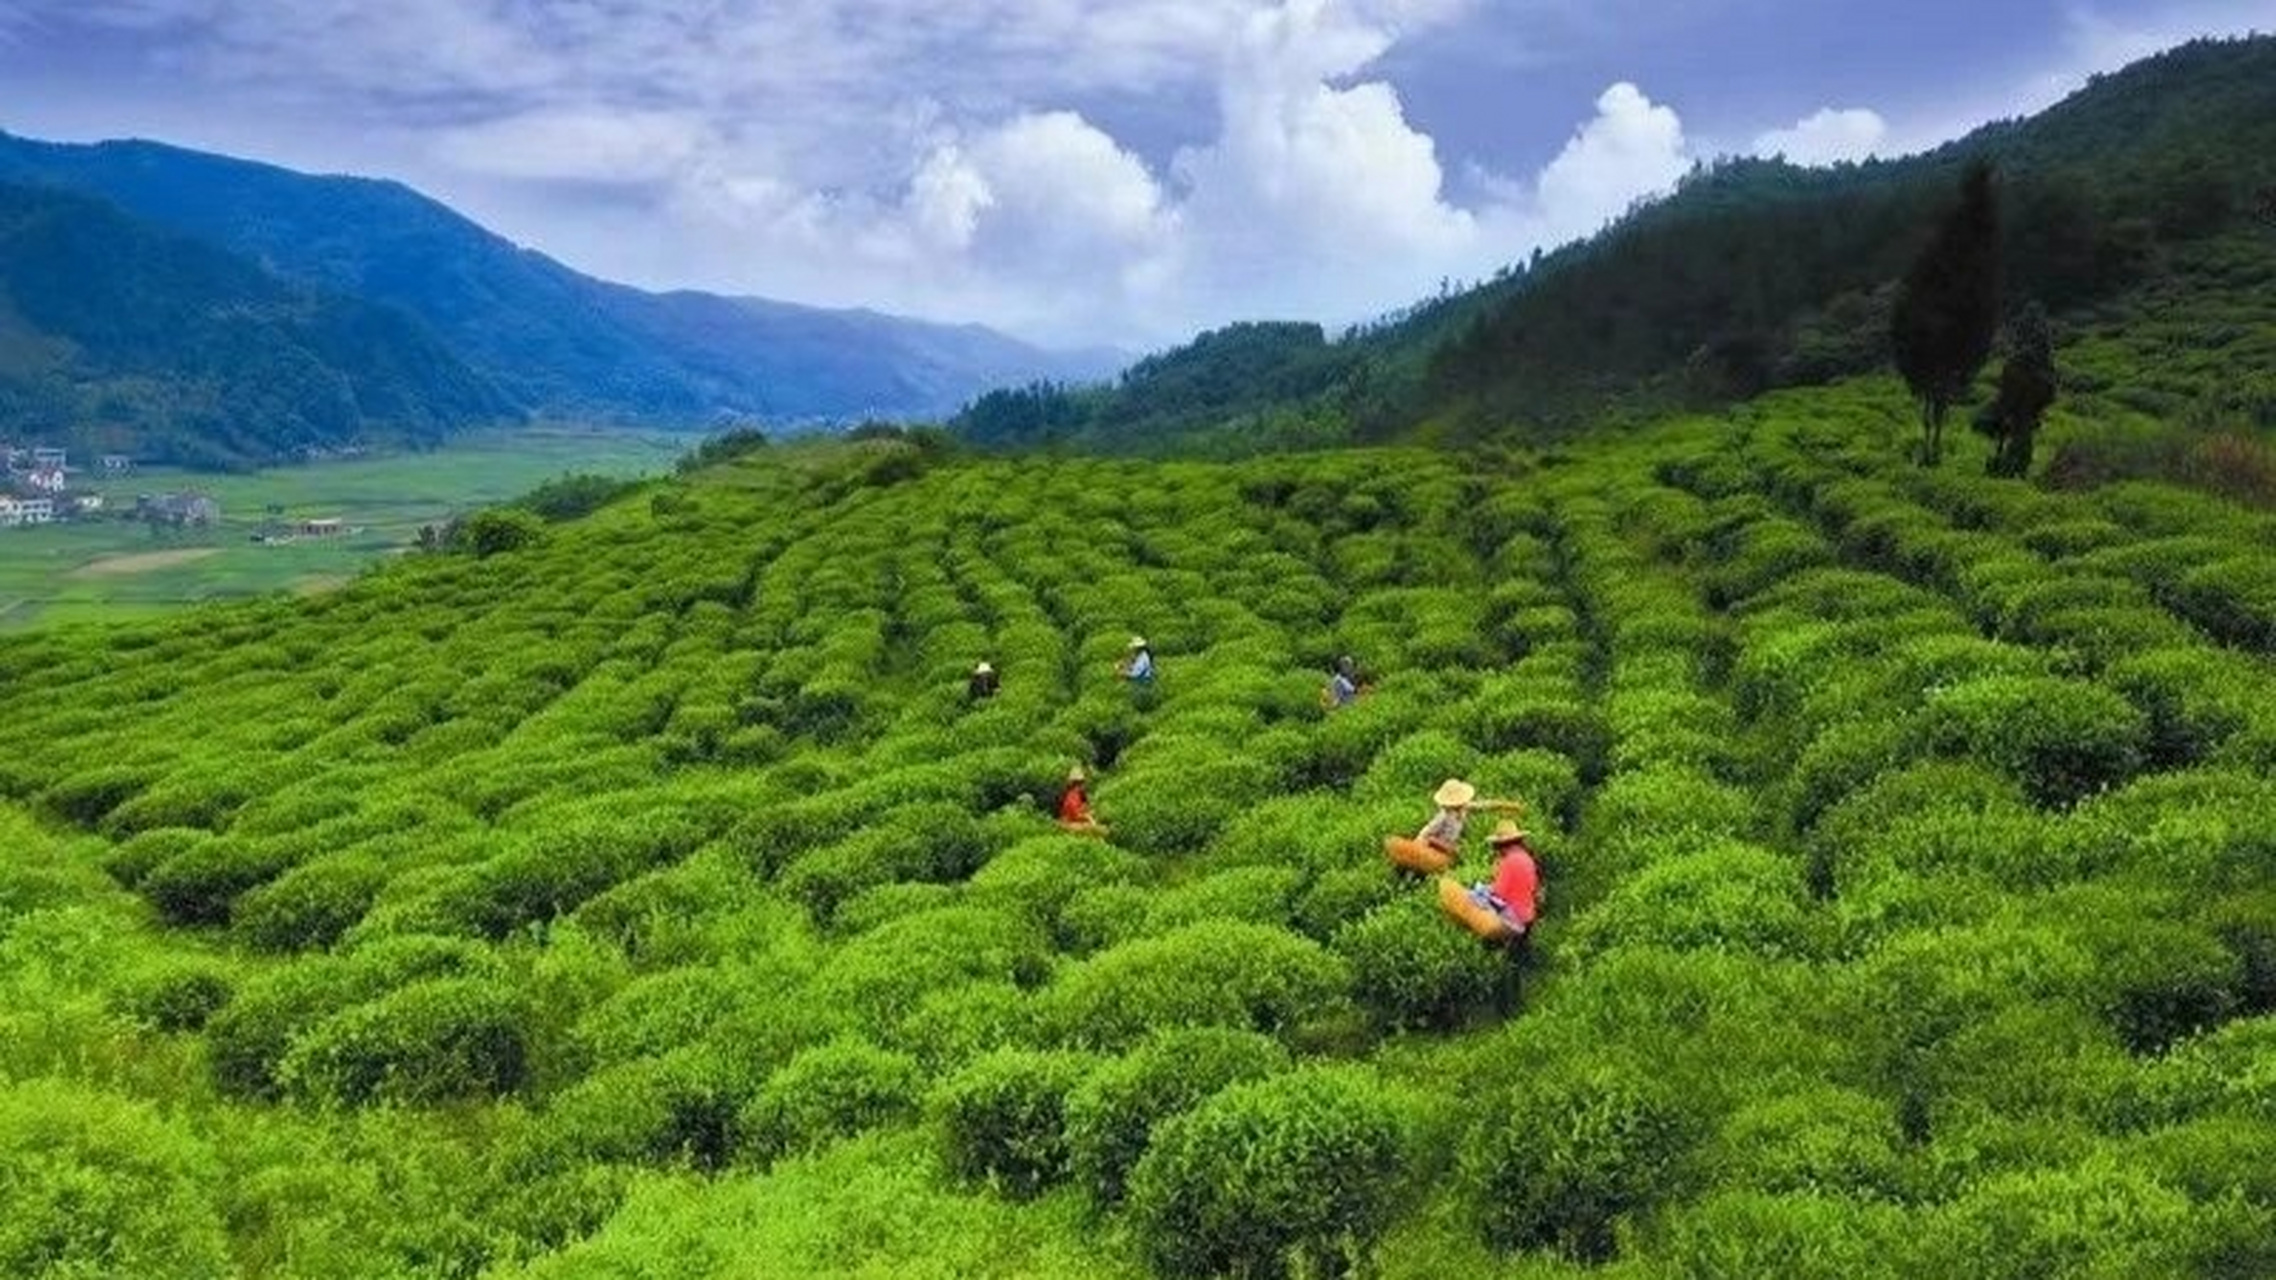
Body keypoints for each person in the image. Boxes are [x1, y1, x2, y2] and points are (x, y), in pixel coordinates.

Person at [1384, 778, 1524, 874]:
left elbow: (1484, 805)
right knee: (1451, 863)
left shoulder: (1463, 809)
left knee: (1455, 861)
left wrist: (1507, 805)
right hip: (1436, 847)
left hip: (1448, 848)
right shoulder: (1443, 816)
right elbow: (1426, 832)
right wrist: (1417, 845)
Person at [1467, 820, 1541, 942]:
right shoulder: (1527, 857)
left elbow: (1499, 892)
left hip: (1515, 918)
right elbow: (1533, 887)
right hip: (1528, 916)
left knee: (1476, 896)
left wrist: (1491, 880)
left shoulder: (1508, 861)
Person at [1057, 765, 1108, 836]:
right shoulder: (1072, 795)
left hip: (1074, 821)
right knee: (1101, 831)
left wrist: (1090, 813)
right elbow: (1074, 814)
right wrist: (1088, 817)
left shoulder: (1078, 795)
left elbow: (1083, 808)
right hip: (1069, 823)